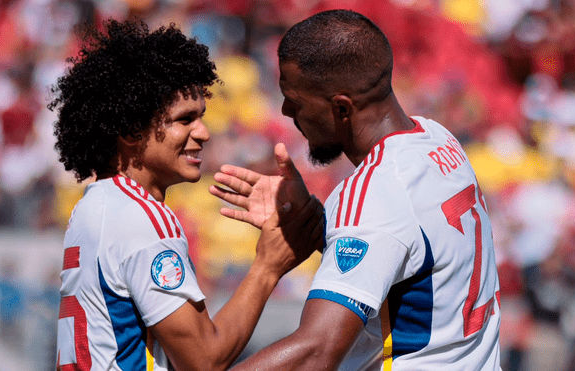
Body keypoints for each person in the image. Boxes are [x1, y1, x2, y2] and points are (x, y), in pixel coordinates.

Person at [210, 9, 502, 370]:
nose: (286, 111)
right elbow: (409, 255)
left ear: (341, 108)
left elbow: (317, 351)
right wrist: (318, 223)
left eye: (295, 101)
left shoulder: (377, 192)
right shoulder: (437, 139)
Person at [49, 19, 323, 371]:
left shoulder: (94, 204)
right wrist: (268, 266)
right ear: (132, 129)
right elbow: (205, 360)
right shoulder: (141, 216)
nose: (204, 132)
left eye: (202, 117)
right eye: (185, 119)